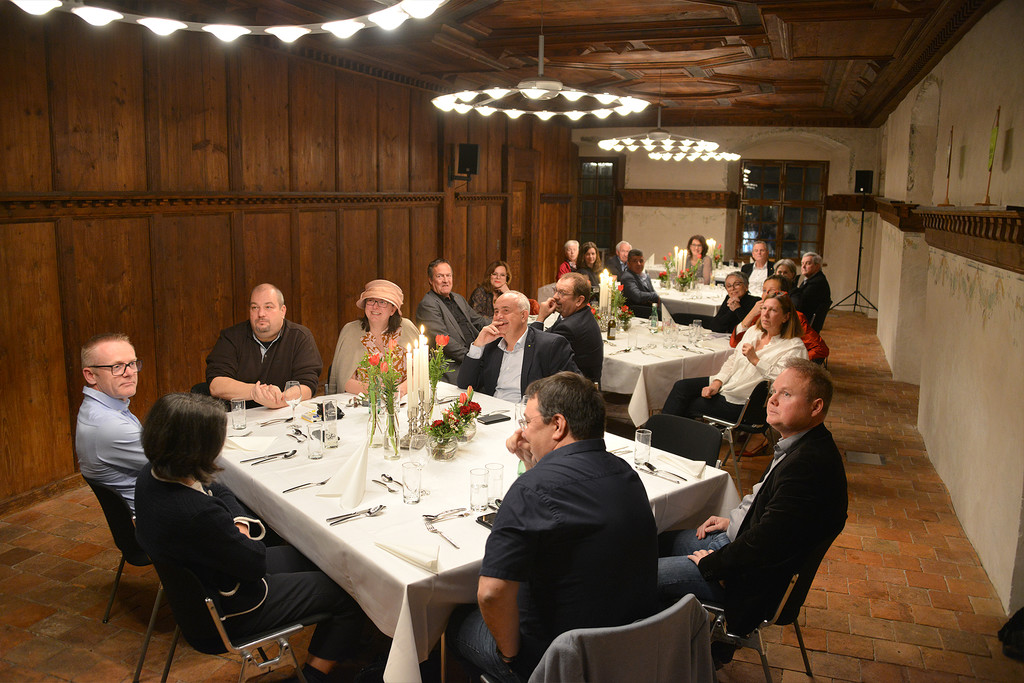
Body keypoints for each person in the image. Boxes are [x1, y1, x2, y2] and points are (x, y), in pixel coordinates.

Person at [133, 393, 367, 683]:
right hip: (233, 609)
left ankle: (344, 642)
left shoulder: (151, 475)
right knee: (349, 590)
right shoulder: (197, 513)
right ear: (196, 449)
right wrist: (240, 530)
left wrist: (237, 522)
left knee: (316, 557)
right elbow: (254, 562)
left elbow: (218, 489)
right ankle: (313, 676)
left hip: (202, 591)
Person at [447, 372, 659, 682]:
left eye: (528, 422)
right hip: (628, 647)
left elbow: (491, 593)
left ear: (558, 425)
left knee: (455, 623)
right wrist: (534, 465)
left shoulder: (531, 490)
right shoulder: (625, 472)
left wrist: (511, 656)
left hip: (559, 660)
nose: (523, 433)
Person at [657, 359, 847, 641]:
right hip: (737, 546)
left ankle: (671, 649)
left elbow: (766, 544)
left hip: (745, 580)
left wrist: (713, 565)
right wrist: (733, 521)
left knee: (639, 576)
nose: (772, 400)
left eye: (786, 394)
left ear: (816, 407)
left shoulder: (808, 466)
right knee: (653, 542)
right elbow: (776, 520)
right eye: (773, 391)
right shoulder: (801, 443)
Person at [662, 294, 808, 422]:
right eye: (764, 308)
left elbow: (786, 383)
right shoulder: (754, 331)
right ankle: (664, 437)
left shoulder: (794, 347)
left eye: (773, 310)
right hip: (728, 384)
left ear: (786, 317)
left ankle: (669, 439)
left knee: (687, 404)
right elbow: (732, 361)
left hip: (744, 402)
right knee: (681, 387)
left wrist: (756, 361)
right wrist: (717, 382)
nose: (765, 314)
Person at [206, 283, 321, 409]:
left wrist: (280, 399)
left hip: (284, 413)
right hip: (242, 416)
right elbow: (216, 385)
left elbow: (307, 386)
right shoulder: (231, 337)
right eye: (255, 307)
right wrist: (257, 392)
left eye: (268, 307)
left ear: (282, 311)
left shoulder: (300, 337)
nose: (261, 313)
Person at [457, 291, 579, 403]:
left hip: (527, 414)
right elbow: (465, 384)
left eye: (505, 311)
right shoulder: (491, 344)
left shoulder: (550, 345)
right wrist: (478, 345)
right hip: (493, 410)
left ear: (523, 316)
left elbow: (571, 391)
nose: (499, 316)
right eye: (496, 311)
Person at [75, 333, 146, 511]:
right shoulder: (109, 425)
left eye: (132, 363)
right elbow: (178, 465)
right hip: (154, 515)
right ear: (90, 375)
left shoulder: (106, 407)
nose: (129, 373)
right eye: (117, 366)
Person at [328, 279, 419, 394]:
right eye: (370, 301)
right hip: (362, 401)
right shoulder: (350, 331)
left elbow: (420, 372)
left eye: (382, 302)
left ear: (393, 309)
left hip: (404, 399)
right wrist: (379, 392)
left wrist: (400, 391)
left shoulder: (407, 328)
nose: (375, 306)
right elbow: (345, 381)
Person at [416, 259, 490, 382]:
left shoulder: (458, 298)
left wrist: (501, 323)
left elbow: (479, 321)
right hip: (454, 367)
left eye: (448, 275)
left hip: (476, 356)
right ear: (430, 280)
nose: (446, 280)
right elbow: (445, 343)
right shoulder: (428, 304)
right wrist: (473, 359)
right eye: (440, 276)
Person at [730, 275, 829, 362]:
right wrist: (751, 314)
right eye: (764, 290)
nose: (766, 294)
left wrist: (795, 362)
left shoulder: (795, 317)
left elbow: (820, 349)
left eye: (771, 291)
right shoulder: (759, 314)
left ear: (783, 295)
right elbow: (735, 343)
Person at [532, 273, 604, 384]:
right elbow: (547, 335)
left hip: (576, 388)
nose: (555, 296)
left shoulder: (569, 327)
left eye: (562, 293)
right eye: (556, 290)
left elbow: (534, 348)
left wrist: (540, 317)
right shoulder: (577, 314)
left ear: (579, 300)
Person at [791, 252, 831, 326]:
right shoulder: (811, 279)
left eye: (808, 263)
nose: (803, 266)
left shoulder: (817, 282)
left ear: (817, 266)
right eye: (802, 263)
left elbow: (800, 304)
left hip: (805, 323)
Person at [619, 248, 660, 319]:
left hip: (648, 309)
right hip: (636, 312)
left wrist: (654, 298)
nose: (639, 264)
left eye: (641, 261)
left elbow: (651, 292)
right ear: (628, 264)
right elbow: (637, 296)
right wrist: (655, 296)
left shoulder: (646, 276)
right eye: (635, 261)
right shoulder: (627, 277)